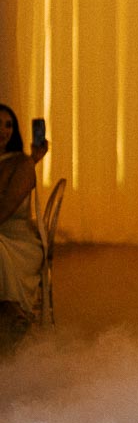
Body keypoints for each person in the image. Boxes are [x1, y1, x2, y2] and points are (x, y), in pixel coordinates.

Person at [0, 104, 47, 335]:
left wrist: (32, 160)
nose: (3, 130)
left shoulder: (22, 163)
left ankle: (13, 310)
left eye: (8, 125)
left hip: (19, 243)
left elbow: (5, 210)